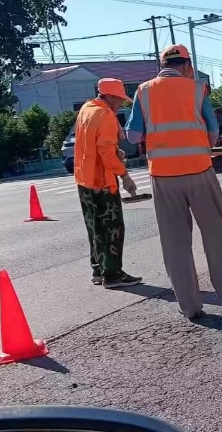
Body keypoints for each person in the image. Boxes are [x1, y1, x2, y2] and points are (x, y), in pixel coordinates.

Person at [125, 44, 222, 320]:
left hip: (163, 176)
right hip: (199, 171)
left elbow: (133, 135)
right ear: (185, 65)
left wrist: (152, 134)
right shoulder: (197, 89)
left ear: (162, 66)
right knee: (216, 237)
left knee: (176, 243)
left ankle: (190, 307)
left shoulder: (143, 91)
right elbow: (213, 131)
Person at [74, 78, 141, 289]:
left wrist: (114, 150)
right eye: (119, 99)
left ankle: (98, 269)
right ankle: (112, 275)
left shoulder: (87, 109)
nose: (121, 103)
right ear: (110, 96)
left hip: (84, 179)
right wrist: (124, 176)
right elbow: (105, 153)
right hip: (102, 182)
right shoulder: (105, 115)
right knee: (112, 228)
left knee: (94, 227)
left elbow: (93, 143)